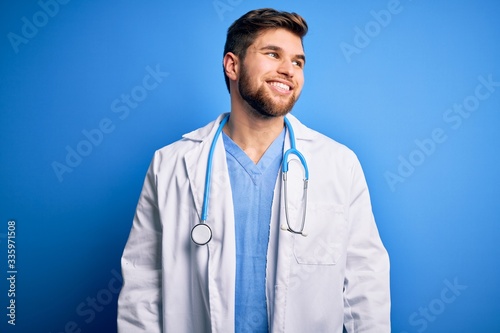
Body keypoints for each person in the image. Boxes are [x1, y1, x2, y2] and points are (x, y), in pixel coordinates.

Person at [117, 8, 390, 333]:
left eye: (298, 62)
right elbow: (142, 284)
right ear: (233, 65)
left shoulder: (338, 164)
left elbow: (365, 281)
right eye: (273, 54)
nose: (289, 70)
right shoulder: (172, 164)